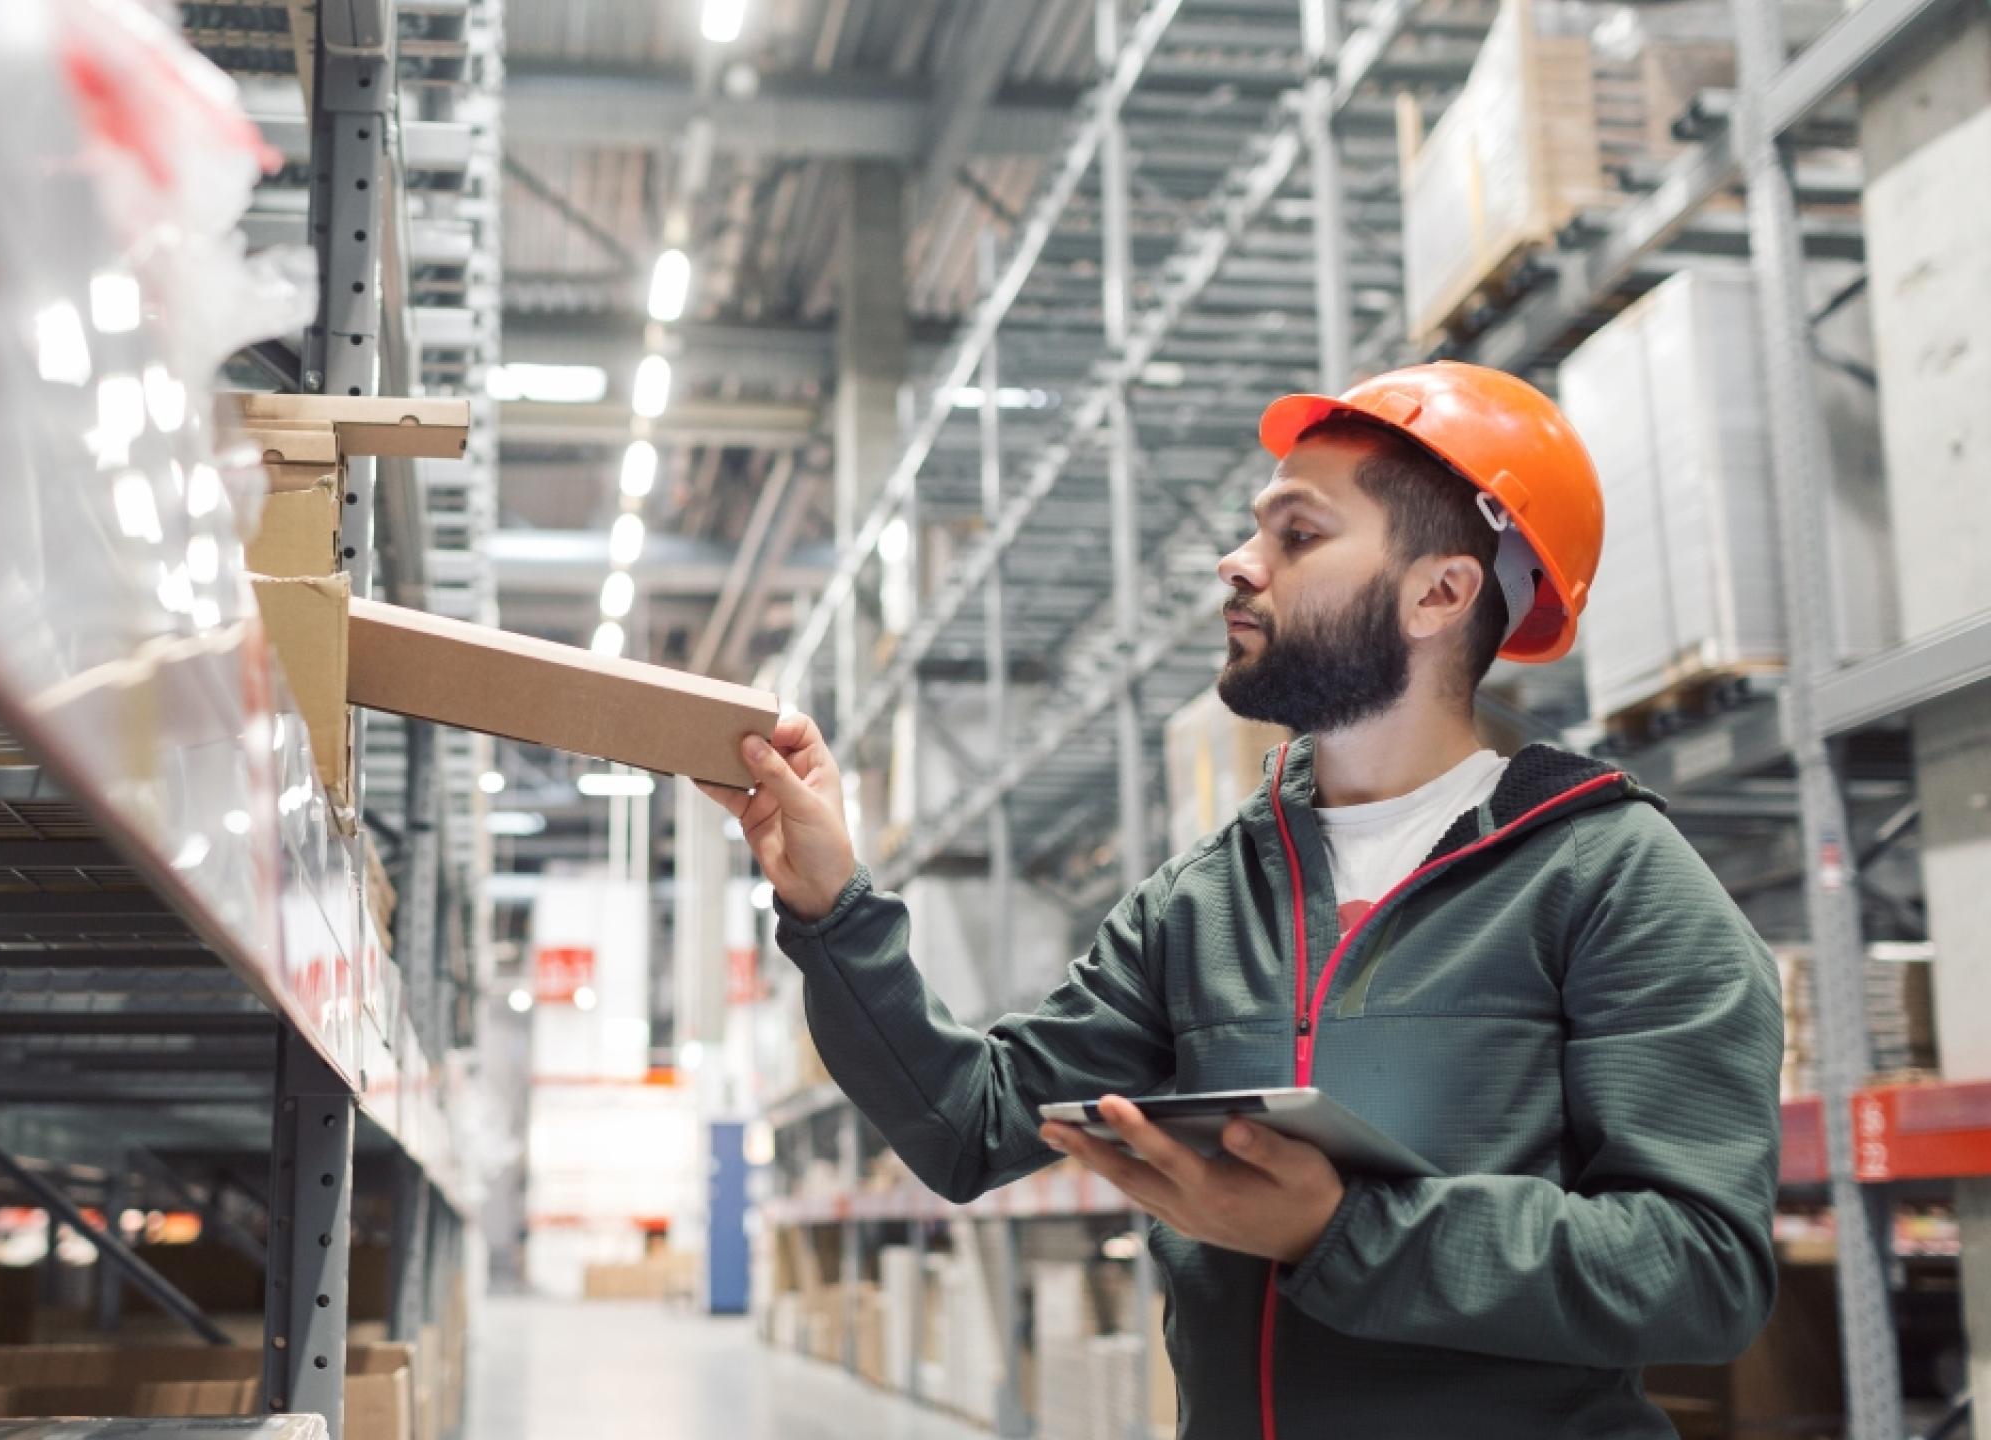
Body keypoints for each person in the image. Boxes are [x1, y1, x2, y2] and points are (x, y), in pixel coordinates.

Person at [700, 362, 1782, 1439]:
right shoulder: (1205, 899)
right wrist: (831, 903)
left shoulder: (1608, 878)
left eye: (1296, 536)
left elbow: (1699, 1271)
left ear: (1439, 594)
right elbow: (966, 1127)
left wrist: (1340, 1230)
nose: (1236, 563)